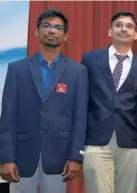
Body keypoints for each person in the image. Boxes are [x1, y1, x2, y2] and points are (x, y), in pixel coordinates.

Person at [0, 8, 88, 193]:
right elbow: (7, 117)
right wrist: (6, 158)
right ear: (36, 31)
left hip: (59, 158)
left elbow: (80, 119)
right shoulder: (17, 69)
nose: (51, 31)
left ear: (65, 36)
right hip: (21, 157)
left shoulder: (77, 72)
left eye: (57, 28)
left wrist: (76, 157)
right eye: (46, 26)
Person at [80, 11, 137, 193]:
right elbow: (81, 101)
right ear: (109, 31)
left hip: (131, 143)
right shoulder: (90, 59)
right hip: (96, 140)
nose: (123, 29)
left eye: (129, 26)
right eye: (119, 25)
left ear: (135, 35)